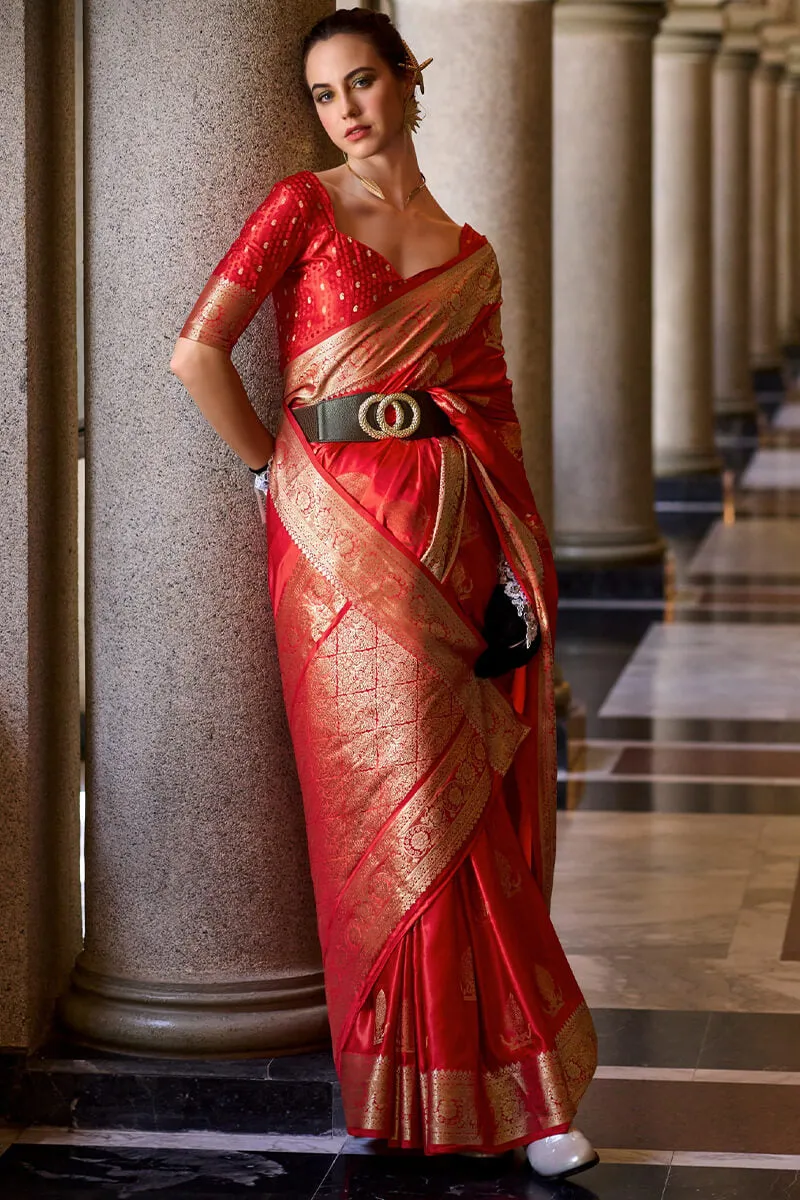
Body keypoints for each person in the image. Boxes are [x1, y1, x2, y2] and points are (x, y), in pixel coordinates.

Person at [170, 8, 598, 1180]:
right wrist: (270, 468)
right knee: (392, 814)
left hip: (455, 534)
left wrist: (516, 569)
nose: (347, 109)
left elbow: (495, 420)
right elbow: (196, 352)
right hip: (333, 540)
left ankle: (523, 1095)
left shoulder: (468, 250)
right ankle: (406, 1088)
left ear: (411, 81)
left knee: (467, 812)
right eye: (323, 94)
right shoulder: (300, 206)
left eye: (364, 81)